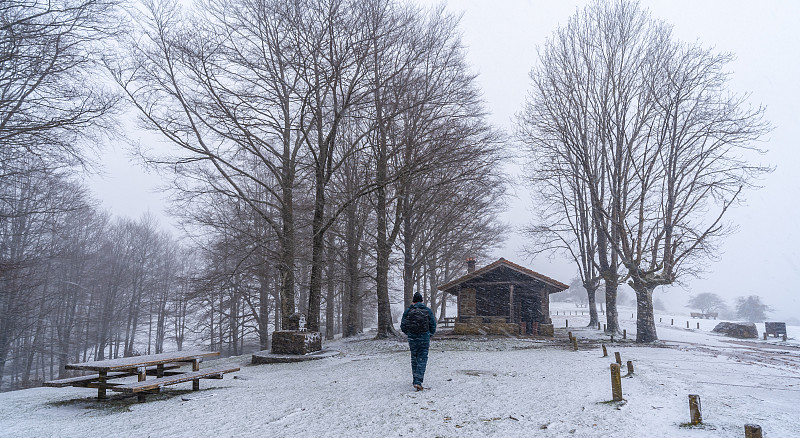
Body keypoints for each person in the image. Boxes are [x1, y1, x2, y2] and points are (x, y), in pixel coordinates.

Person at [400, 292, 437, 391]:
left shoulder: (408, 311)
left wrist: (409, 333)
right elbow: (433, 325)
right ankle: (418, 381)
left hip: (412, 338)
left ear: (413, 301)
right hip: (424, 337)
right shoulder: (427, 310)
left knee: (414, 358)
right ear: (422, 301)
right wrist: (429, 334)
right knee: (422, 358)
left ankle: (415, 380)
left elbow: (403, 325)